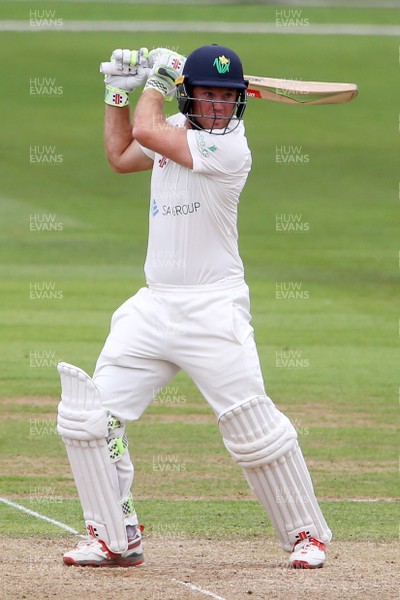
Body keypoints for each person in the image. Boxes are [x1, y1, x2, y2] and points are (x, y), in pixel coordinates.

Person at [56, 44, 332, 569]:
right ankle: (116, 536)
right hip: (153, 307)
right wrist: (117, 91)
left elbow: (146, 131)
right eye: (207, 95)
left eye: (227, 97)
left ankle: (307, 536)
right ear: (192, 96)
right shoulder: (176, 129)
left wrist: (155, 82)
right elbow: (120, 156)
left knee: (255, 431)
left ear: (239, 102)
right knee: (89, 418)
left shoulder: (230, 151)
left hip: (214, 309)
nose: (217, 106)